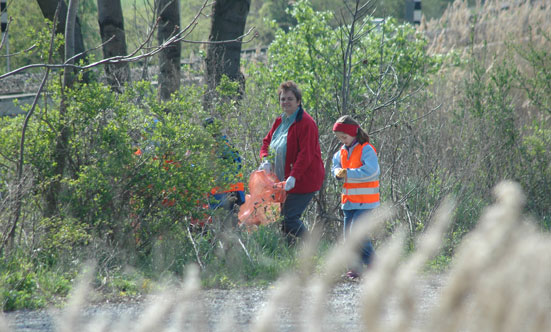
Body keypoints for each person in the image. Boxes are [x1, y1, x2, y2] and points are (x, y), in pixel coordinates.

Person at [258, 81, 325, 243]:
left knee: (289, 218)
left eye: (290, 99)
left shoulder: (306, 123)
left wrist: (294, 177)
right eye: (283, 99)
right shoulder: (280, 121)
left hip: (304, 180)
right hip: (283, 181)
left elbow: (306, 154)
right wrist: (265, 159)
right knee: (282, 220)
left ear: (298, 101)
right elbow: (266, 143)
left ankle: (313, 248)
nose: (286, 102)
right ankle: (293, 254)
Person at [331, 115, 380, 280]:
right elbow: (335, 167)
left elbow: (372, 171)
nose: (342, 140)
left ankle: (374, 263)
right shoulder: (341, 152)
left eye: (344, 137)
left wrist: (348, 174)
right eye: (339, 138)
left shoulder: (366, 149)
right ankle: (355, 268)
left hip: (365, 202)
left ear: (354, 133)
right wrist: (337, 173)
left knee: (357, 234)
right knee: (349, 237)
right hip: (349, 202)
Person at [203, 117, 245, 213]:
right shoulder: (222, 144)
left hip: (226, 192)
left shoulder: (221, 146)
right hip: (227, 192)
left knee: (228, 224)